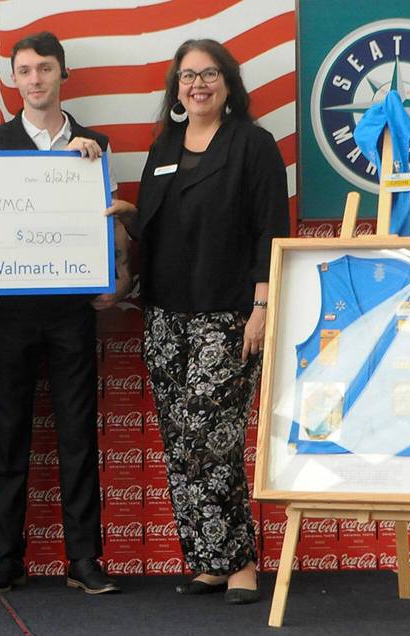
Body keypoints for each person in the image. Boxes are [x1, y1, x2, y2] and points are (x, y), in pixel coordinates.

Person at [125, 38, 289, 605]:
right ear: (176, 87)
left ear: (228, 84)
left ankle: (241, 560)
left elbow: (271, 230)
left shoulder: (254, 144)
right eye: (188, 74)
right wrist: (120, 215)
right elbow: (152, 225)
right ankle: (208, 559)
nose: (198, 83)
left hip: (228, 315)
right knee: (178, 441)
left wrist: (262, 308)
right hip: (167, 315)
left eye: (209, 74)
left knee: (212, 439)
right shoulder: (164, 146)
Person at [0, 31, 132, 595]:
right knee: (10, 434)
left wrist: (119, 276)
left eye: (44, 68)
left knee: (77, 435)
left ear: (62, 73)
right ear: (12, 79)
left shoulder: (95, 145)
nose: (35, 79)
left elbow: (111, 227)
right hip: (6, 310)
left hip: (71, 310)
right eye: (24, 70)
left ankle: (83, 558)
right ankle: (8, 558)